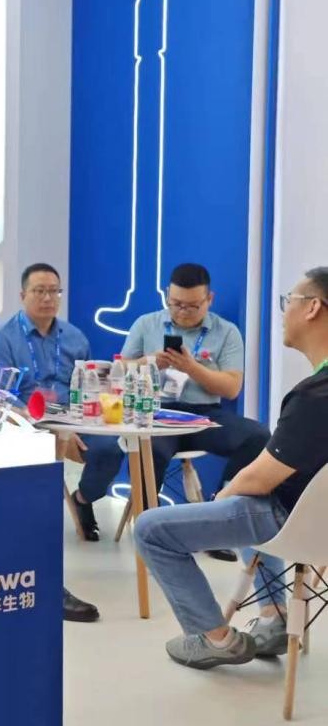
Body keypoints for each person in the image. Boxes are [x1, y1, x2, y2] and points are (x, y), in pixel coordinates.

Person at [135, 267, 328, 670]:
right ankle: (275, 616)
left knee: (151, 529)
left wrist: (224, 496)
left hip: (291, 519)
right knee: (248, 494)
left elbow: (260, 478)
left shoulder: (315, 396)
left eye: (288, 301)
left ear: (312, 308)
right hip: (313, 517)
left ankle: (215, 638)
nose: (284, 312)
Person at [73, 263, 270, 558]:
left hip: (203, 416)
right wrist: (149, 362)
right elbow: (119, 371)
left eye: (192, 306)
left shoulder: (227, 332)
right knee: (150, 450)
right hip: (156, 413)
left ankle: (218, 520)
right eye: (176, 304)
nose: (182, 312)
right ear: (167, 295)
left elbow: (231, 388)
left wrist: (191, 367)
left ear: (209, 299)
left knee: (257, 436)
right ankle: (150, 530)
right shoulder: (147, 324)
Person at [0, 263, 100, 623]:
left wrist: (76, 421)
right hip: (25, 424)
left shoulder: (75, 338)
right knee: (36, 482)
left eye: (54, 291)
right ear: (23, 295)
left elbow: (87, 387)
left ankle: (83, 500)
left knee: (110, 451)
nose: (48, 298)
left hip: (72, 421)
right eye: (40, 291)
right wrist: (47, 425)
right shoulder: (3, 339)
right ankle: (39, 577)